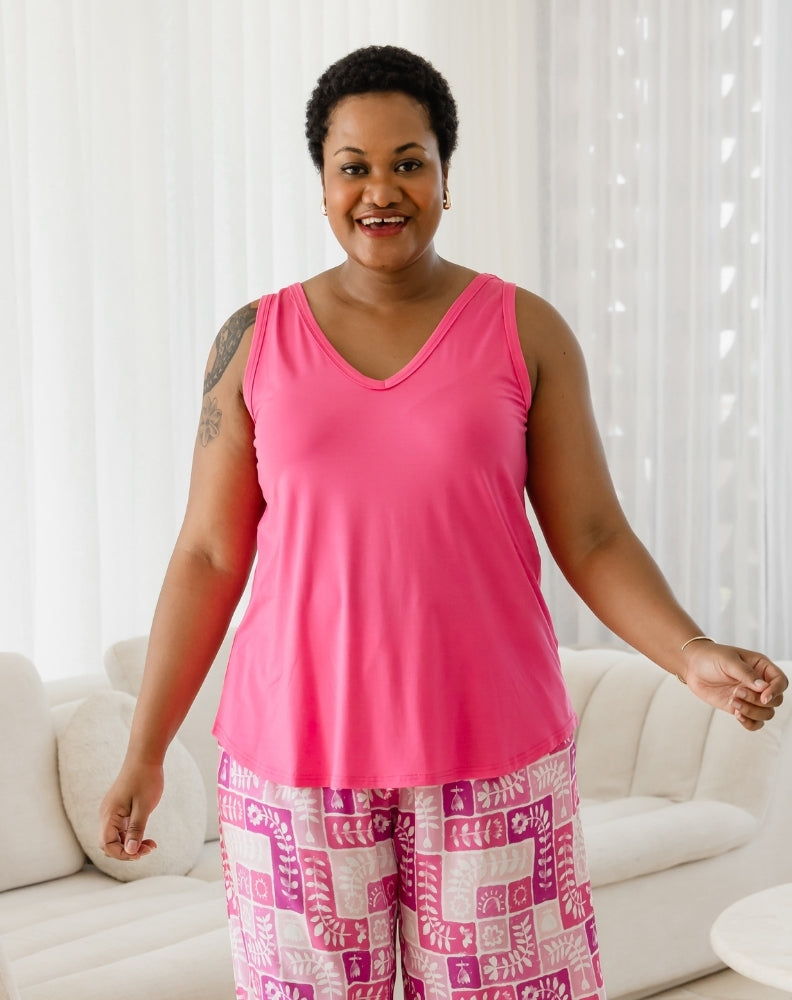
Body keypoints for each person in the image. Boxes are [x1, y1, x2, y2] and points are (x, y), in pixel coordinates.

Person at [100, 45, 788, 1000]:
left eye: (408, 161)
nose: (381, 190)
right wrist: (143, 753)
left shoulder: (524, 329)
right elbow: (211, 552)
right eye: (354, 166)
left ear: (446, 175)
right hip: (297, 769)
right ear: (323, 182)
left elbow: (590, 536)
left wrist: (690, 651)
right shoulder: (252, 342)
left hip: (492, 757)